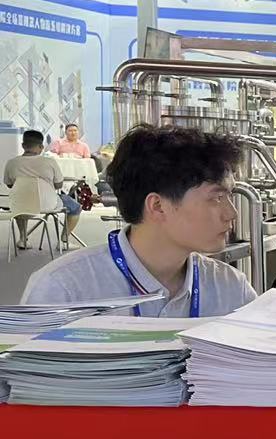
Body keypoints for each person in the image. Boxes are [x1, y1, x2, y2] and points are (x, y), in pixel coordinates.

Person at [22, 124, 256, 317]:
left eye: (230, 196)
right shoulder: (64, 291)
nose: (232, 213)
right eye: (216, 198)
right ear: (157, 206)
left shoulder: (231, 290)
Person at [5, 129, 80, 248]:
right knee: (76, 207)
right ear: (41, 147)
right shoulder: (49, 162)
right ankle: (64, 241)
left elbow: (9, 185)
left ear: (23, 145)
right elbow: (58, 185)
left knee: (20, 202)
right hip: (47, 204)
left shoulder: (11, 163)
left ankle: (23, 239)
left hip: (20, 204)